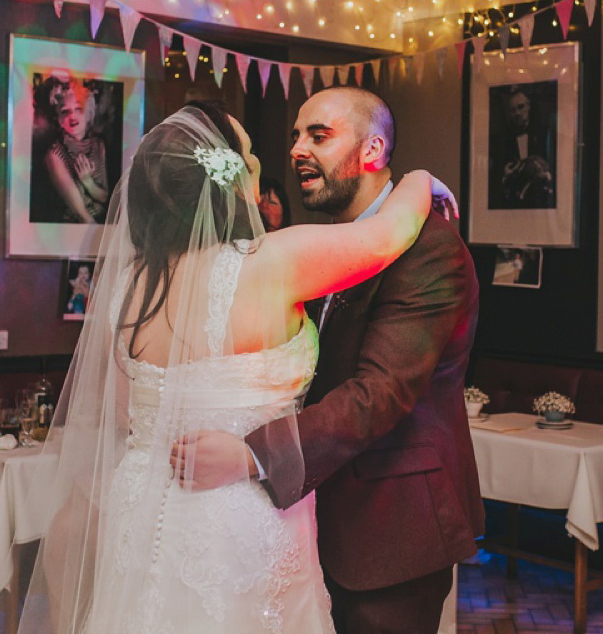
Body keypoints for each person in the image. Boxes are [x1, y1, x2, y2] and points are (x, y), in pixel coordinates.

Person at [0, 100, 446, 634]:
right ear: (228, 181)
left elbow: (120, 415)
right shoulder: (271, 262)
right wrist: (419, 178)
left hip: (138, 517)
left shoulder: (129, 288)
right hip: (238, 523)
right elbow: (390, 233)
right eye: (249, 158)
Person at [180, 87, 483, 634]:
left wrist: (250, 456)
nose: (296, 149)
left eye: (318, 136)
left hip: (391, 530)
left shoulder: (430, 250)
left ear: (371, 151)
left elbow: (378, 394)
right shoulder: (329, 246)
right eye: (295, 136)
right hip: (309, 520)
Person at [39, 74, 110, 223]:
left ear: (89, 111)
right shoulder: (54, 155)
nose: (73, 117)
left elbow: (105, 197)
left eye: (79, 108)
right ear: (57, 117)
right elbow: (82, 216)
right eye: (65, 111)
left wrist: (88, 182)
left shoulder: (98, 145)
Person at [494, 86, 556, 209]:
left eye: (521, 107)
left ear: (529, 107)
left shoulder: (545, 136)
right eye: (513, 110)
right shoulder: (502, 142)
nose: (517, 113)